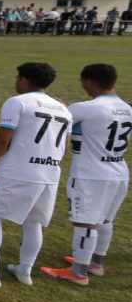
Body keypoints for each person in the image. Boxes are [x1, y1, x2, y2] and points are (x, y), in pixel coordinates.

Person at [0, 62, 72, 288]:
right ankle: (24, 271)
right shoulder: (63, 109)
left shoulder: (17, 102)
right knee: (33, 223)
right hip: (49, 173)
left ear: (23, 80)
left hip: (17, 171)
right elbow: (66, 145)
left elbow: (4, 137)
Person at [41, 64, 129, 285]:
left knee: (85, 223)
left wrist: (60, 107)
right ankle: (96, 263)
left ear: (89, 82)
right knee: (106, 220)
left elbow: (57, 120)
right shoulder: (128, 107)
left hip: (91, 173)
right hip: (119, 171)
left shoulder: (85, 108)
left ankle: (78, 272)